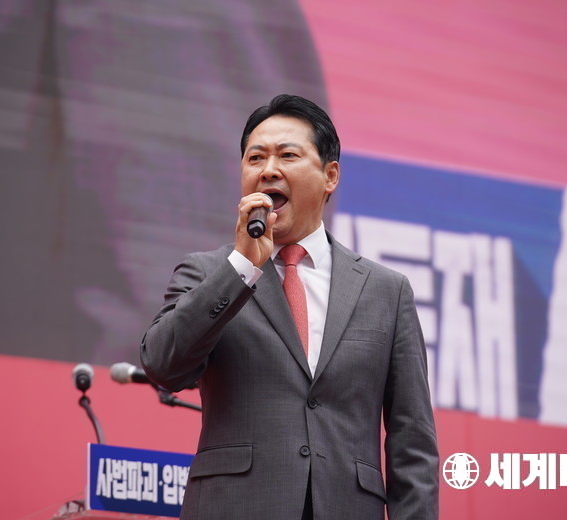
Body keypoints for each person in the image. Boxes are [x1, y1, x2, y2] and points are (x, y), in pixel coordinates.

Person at [141, 94, 438, 520]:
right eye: (255, 158)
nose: (268, 170)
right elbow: (163, 365)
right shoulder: (209, 272)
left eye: (287, 155)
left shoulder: (385, 291)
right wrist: (242, 266)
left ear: (330, 176)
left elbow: (413, 444)